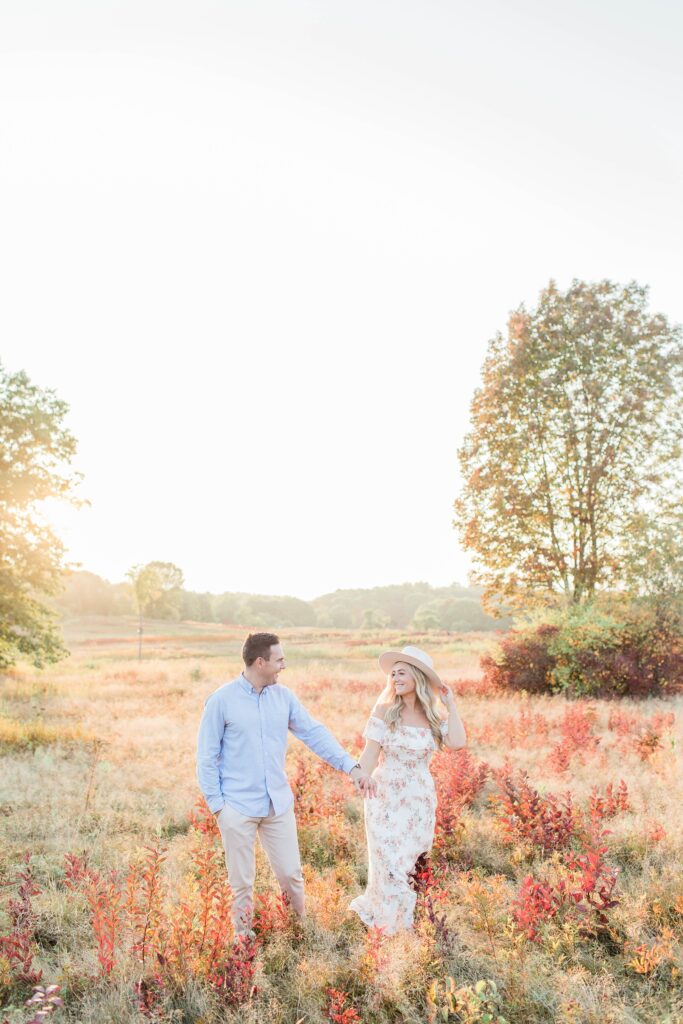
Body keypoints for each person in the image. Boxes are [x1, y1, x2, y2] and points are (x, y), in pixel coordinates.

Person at [196, 632, 377, 936]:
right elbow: (206, 757)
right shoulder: (221, 701)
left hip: (277, 804)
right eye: (279, 660)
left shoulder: (284, 698)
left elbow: (314, 734)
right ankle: (242, 937)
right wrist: (219, 807)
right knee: (241, 882)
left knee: (291, 875)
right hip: (236, 807)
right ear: (260, 662)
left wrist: (352, 767)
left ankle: (297, 931)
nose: (284, 665)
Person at [349, 644, 466, 934]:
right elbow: (370, 752)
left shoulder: (433, 716)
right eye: (393, 674)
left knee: (410, 861)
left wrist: (451, 705)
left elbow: (457, 742)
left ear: (417, 676)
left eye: (401, 673)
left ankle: (404, 920)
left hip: (419, 799)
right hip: (385, 796)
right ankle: (389, 926)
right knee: (388, 859)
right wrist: (360, 775)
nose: (395, 678)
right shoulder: (385, 710)